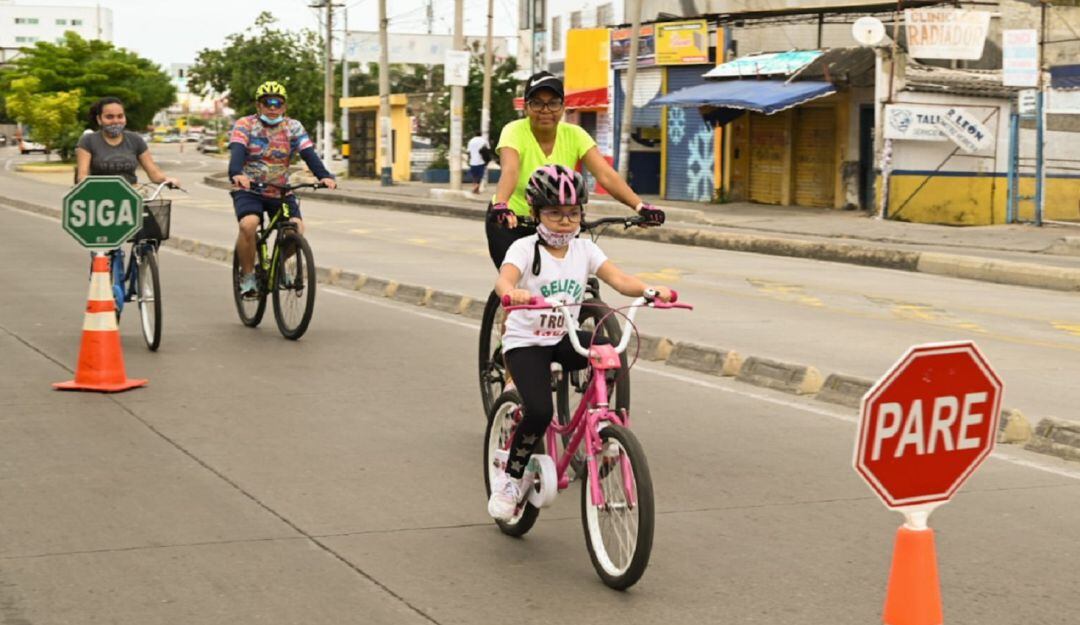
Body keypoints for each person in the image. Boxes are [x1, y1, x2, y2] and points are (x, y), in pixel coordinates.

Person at [486, 165, 672, 521]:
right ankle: (510, 479)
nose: (565, 222)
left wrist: (650, 291)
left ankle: (599, 420)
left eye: (573, 213)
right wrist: (512, 292)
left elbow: (620, 280)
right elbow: (503, 280)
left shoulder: (584, 250)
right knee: (540, 412)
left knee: (607, 352)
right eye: (555, 213)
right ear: (536, 213)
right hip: (526, 344)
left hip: (562, 337)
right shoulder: (524, 249)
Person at [485, 71, 665, 269]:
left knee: (566, 281)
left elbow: (605, 174)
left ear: (563, 107)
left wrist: (640, 206)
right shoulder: (514, 131)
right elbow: (510, 170)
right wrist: (501, 205)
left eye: (553, 103)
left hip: (558, 222)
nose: (546, 110)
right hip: (511, 222)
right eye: (537, 103)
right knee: (517, 281)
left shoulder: (576, 134)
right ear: (526, 107)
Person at [228, 80, 337, 297]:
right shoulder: (245, 124)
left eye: (277, 103)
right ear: (258, 106)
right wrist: (237, 173)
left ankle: (277, 266)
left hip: (280, 190)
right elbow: (237, 151)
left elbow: (308, 154)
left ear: (284, 106)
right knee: (249, 225)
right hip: (249, 188)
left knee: (296, 229)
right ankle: (248, 276)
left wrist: (324, 176)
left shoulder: (293, 127)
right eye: (267, 103)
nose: (272, 107)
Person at [75, 97, 179, 187]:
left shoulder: (135, 140)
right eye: (109, 117)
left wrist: (167, 180)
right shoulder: (88, 141)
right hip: (98, 197)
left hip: (131, 195)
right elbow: (82, 177)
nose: (116, 121)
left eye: (120, 116)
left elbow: (154, 173)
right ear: (99, 119)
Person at [466, 130, 490, 194]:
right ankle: (475, 189)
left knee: (474, 176)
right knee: (479, 177)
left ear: (475, 134)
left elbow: (468, 152)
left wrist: (468, 160)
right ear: (481, 134)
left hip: (472, 162)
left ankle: (476, 190)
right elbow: (487, 150)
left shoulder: (471, 141)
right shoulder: (484, 141)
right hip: (481, 162)